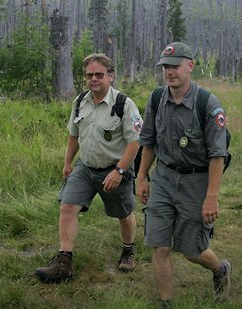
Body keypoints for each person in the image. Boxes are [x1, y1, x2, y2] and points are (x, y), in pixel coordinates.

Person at [136, 42, 231, 307]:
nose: (169, 72)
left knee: (191, 250)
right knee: (160, 245)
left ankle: (220, 269)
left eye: (175, 66)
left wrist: (212, 197)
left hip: (195, 181)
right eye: (165, 67)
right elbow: (149, 142)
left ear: (190, 66)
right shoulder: (156, 99)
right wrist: (142, 177)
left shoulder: (207, 104)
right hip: (164, 178)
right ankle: (167, 303)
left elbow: (217, 154)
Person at [35, 53, 142, 282]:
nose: (94, 79)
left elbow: (135, 142)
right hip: (85, 167)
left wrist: (120, 171)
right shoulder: (80, 101)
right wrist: (67, 163)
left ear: (110, 76)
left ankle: (128, 251)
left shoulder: (124, 104)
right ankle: (64, 261)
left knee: (123, 214)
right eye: (89, 75)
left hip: (115, 169)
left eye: (99, 75)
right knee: (67, 207)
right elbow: (74, 135)